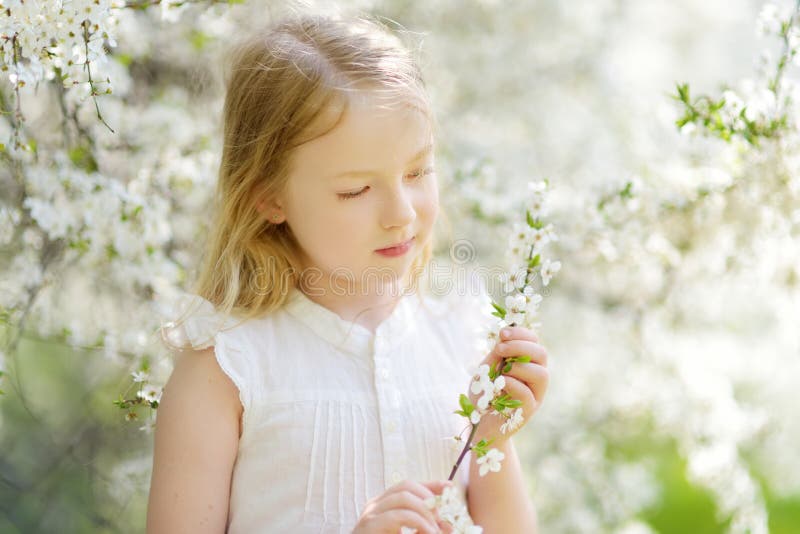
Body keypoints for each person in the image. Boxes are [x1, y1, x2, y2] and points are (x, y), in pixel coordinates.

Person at [145, 11, 549, 534]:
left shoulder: (462, 335)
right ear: (269, 196)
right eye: (356, 190)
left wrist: (493, 438)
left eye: (418, 171)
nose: (401, 211)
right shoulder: (227, 368)